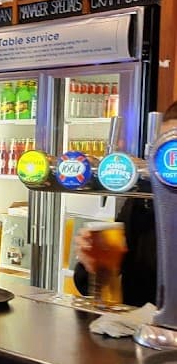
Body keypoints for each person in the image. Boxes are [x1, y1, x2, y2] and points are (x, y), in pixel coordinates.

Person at [74, 100, 177, 307]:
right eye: (164, 147)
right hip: (137, 333)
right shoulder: (143, 203)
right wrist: (92, 266)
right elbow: (88, 286)